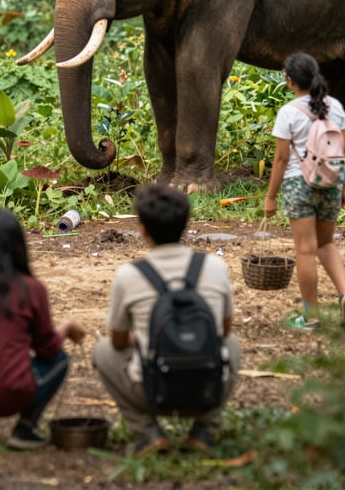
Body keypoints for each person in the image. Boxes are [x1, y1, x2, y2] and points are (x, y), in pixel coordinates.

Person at [93, 183, 241, 457]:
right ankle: (205, 430)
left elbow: (116, 340)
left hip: (153, 390)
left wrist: (144, 338)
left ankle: (147, 432)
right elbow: (224, 330)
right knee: (231, 344)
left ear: (143, 230)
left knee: (102, 351)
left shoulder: (128, 275)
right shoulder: (215, 267)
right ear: (186, 226)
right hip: (205, 389)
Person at [0, 207, 86, 450]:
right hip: (9, 393)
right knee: (60, 360)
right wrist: (66, 328)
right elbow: (48, 350)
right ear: (20, 246)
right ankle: (25, 429)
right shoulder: (30, 289)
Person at [264, 51, 345, 331]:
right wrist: (342, 188)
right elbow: (344, 152)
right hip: (331, 182)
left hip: (299, 184)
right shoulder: (336, 108)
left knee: (305, 250)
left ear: (291, 81)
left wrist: (270, 196)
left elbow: (281, 160)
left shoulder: (289, 113)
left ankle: (311, 317)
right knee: (326, 244)